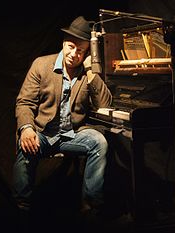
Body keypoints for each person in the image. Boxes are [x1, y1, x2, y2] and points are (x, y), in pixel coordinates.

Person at [12, 15, 112, 216]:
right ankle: (21, 205)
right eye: (71, 47)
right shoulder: (41, 65)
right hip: (42, 132)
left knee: (99, 142)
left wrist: (91, 71)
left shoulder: (86, 72)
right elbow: (24, 102)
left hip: (71, 135)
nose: (75, 54)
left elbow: (104, 104)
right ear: (64, 43)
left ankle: (91, 205)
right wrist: (27, 128)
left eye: (81, 50)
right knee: (25, 143)